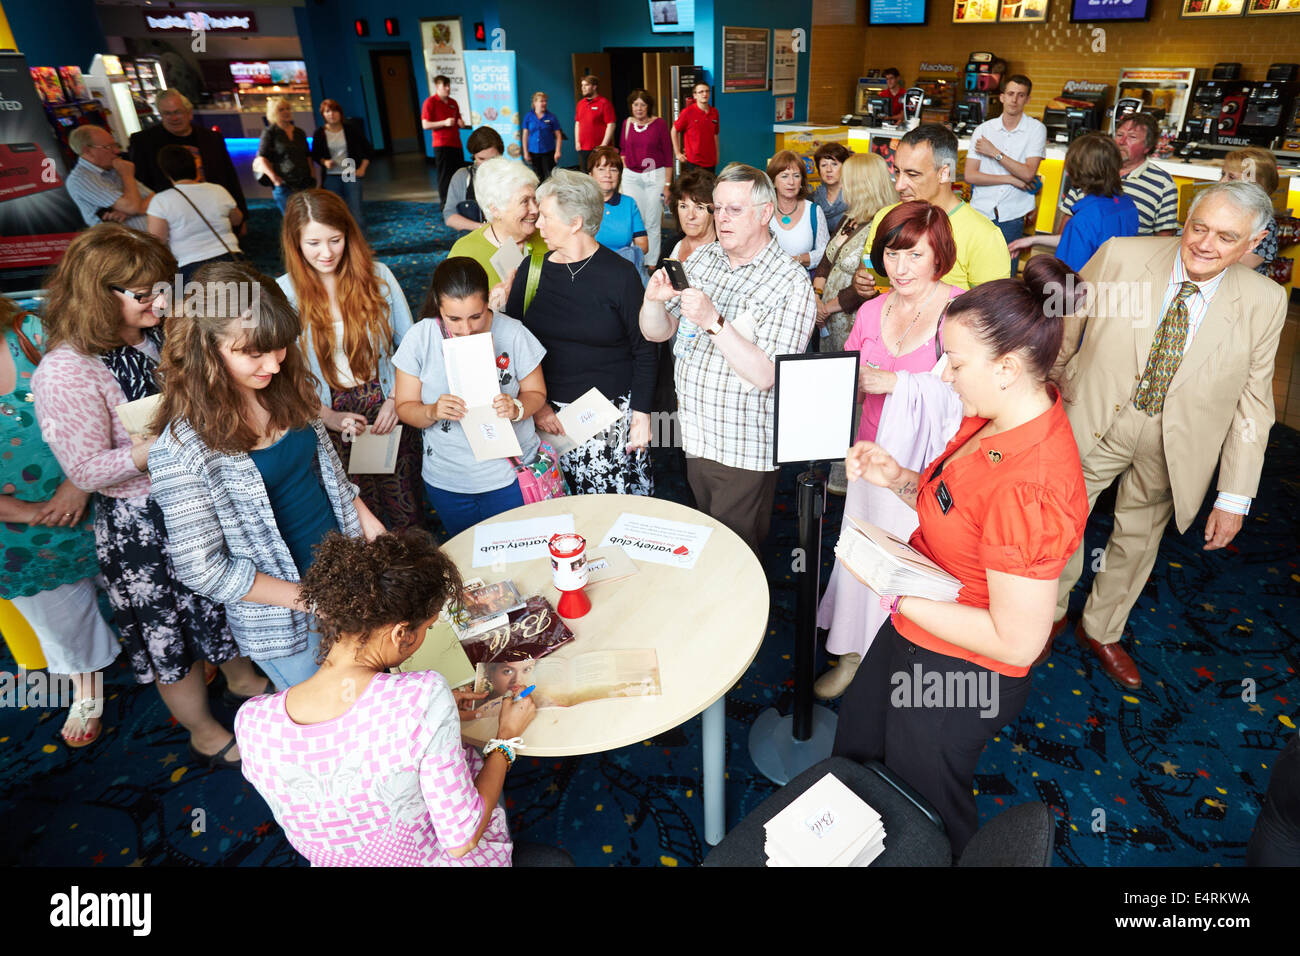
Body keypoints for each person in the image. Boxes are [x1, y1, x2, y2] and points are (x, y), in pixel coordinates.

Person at [831, 257, 1090, 855]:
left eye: (956, 360)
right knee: (859, 747)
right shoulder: (992, 414)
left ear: (1006, 367)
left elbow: (1018, 641)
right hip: (919, 620)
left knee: (923, 806)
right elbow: (955, 505)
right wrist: (899, 477)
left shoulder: (1032, 485)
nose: (943, 374)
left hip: (961, 670)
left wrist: (892, 589)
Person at [31, 226, 257, 769]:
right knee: (168, 637)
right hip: (141, 522)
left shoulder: (150, 334)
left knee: (225, 601)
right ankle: (203, 731)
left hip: (197, 492)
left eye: (162, 287)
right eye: (143, 294)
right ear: (97, 296)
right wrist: (159, 449)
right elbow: (84, 470)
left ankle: (242, 676)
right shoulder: (64, 371)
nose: (161, 300)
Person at [1045, 181, 1286, 690]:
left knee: (1138, 538)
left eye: (1226, 237)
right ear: (1185, 220)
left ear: (1254, 241)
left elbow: (1254, 402)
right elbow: (1067, 311)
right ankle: (1047, 615)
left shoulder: (1265, 301)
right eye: (1199, 228)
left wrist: (1236, 497)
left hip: (1176, 442)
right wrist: (1057, 375)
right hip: (1096, 417)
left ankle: (1103, 628)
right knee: (1061, 521)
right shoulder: (1122, 257)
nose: (1205, 244)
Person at [148, 260, 387, 691]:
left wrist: (370, 526)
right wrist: (313, 601)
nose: (274, 365)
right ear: (205, 349)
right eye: (253, 353)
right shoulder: (181, 451)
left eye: (278, 347)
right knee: (333, 730)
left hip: (346, 574)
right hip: (287, 619)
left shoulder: (284, 384)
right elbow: (203, 570)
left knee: (381, 693)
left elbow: (329, 473)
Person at [234, 529, 537, 866]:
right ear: (400, 634)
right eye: (428, 628)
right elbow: (461, 839)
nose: (425, 637)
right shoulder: (421, 696)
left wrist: (435, 716)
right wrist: (506, 741)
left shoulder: (252, 721)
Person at [814, 201, 964, 697]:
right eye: (892, 255)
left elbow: (975, 397)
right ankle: (854, 651)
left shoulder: (961, 311)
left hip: (927, 466)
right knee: (863, 552)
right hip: (872, 454)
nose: (900, 269)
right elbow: (853, 380)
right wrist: (846, 386)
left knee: (915, 561)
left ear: (939, 255)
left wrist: (896, 384)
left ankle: (901, 657)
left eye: (914, 256)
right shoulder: (873, 309)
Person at [639, 163, 817, 554]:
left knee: (735, 556)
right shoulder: (703, 259)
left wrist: (714, 322)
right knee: (706, 544)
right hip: (695, 433)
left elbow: (767, 374)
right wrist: (652, 301)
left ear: (765, 213)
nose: (721, 219)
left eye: (734, 210)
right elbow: (657, 331)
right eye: (717, 209)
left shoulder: (790, 283)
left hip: (742, 446)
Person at [1, 298, 118, 748]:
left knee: (144, 585)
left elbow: (109, 400)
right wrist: (34, 514)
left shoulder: (31, 332)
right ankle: (85, 689)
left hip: (99, 492)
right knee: (62, 621)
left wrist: (78, 483)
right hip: (17, 531)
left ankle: (179, 653)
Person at [276, 189, 423, 532]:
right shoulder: (283, 293)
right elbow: (279, 373)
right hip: (326, 410)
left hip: (385, 402)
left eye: (335, 240)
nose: (326, 253)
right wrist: (327, 416)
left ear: (348, 235)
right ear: (295, 244)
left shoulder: (379, 276)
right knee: (357, 516)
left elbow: (412, 346)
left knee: (406, 506)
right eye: (313, 243)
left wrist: (396, 400)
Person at [506, 170, 656, 496]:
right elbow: (511, 345)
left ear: (575, 222)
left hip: (607, 418)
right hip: (548, 418)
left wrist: (642, 415)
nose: (538, 224)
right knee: (556, 507)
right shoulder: (531, 271)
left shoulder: (620, 275)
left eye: (546, 216)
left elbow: (644, 349)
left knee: (609, 512)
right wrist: (539, 406)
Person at [393, 257, 548, 538]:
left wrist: (517, 407)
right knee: (468, 559)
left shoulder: (513, 333)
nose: (466, 329)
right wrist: (432, 411)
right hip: (449, 479)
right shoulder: (420, 338)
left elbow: (537, 392)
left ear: (488, 300)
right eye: (454, 319)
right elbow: (404, 407)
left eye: (476, 316)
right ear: (438, 307)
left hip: (510, 475)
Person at [851, 124, 1009, 296]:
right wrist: (863, 284)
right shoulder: (886, 216)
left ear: (944, 173)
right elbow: (870, 272)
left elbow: (991, 312)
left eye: (912, 175)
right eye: (897, 172)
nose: (899, 185)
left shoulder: (983, 235)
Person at [1007, 133, 1138, 272]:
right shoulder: (1126, 205)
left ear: (1083, 172)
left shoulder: (1083, 220)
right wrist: (1032, 240)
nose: (1068, 173)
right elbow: (1081, 241)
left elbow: (1069, 281)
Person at [812, 152, 895, 354]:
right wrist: (817, 296)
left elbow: (869, 284)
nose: (843, 186)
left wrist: (827, 308)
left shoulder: (883, 225)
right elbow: (826, 261)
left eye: (847, 180)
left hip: (851, 320)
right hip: (827, 318)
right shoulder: (849, 218)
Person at [128, 89, 248, 223]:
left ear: (189, 113)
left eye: (177, 112)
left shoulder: (211, 138)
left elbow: (229, 177)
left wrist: (242, 215)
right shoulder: (143, 142)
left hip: (215, 211)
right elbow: (140, 183)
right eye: (167, 113)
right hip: (173, 217)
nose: (173, 118)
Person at [963, 74, 1046, 256]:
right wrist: (1010, 179)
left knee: (1005, 275)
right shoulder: (983, 130)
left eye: (1021, 95)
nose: (1014, 99)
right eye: (1010, 93)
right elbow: (970, 175)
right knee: (975, 268)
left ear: (1028, 99)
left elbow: (1027, 174)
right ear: (1002, 97)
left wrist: (994, 152)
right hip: (980, 212)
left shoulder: (1036, 129)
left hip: (1012, 214)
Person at [1058, 112, 1177, 237]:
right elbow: (1068, 220)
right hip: (1082, 252)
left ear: (1148, 146)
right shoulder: (1093, 169)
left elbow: (1164, 238)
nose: (1122, 141)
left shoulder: (1163, 183)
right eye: (1119, 135)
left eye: (1132, 137)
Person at [146, 144, 244, 283]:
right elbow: (237, 220)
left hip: (189, 267)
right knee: (244, 300)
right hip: (230, 257)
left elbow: (157, 241)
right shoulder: (217, 190)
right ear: (195, 166)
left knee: (187, 303)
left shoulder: (161, 201)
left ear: (166, 172)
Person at [448, 157, 545, 289]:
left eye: (535, 199)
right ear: (495, 209)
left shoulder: (549, 235)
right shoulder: (466, 253)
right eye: (525, 202)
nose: (535, 209)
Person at [620, 89, 674, 270]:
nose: (639, 108)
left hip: (655, 175)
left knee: (652, 220)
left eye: (643, 104)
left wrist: (667, 185)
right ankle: (636, 258)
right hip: (631, 177)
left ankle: (651, 262)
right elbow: (622, 151)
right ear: (631, 106)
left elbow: (668, 155)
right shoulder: (627, 123)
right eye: (636, 104)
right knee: (636, 220)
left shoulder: (659, 124)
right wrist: (625, 173)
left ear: (649, 106)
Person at [65, 124, 152, 230]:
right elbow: (131, 206)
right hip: (126, 244)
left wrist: (129, 213)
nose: (117, 151)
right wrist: (127, 175)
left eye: (116, 145)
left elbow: (154, 197)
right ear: (87, 151)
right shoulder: (81, 179)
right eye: (108, 147)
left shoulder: (112, 168)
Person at [311, 99, 375, 229]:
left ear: (340, 113)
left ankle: (361, 245)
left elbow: (368, 150)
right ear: (323, 114)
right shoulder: (320, 133)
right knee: (336, 212)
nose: (331, 114)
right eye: (327, 111)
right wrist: (324, 161)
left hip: (349, 170)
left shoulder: (351, 129)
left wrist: (362, 168)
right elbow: (316, 155)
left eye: (335, 111)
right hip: (330, 175)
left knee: (355, 211)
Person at [1219, 147, 1280, 275]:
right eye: (1222, 174)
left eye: (1231, 177)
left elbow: (1239, 268)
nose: (1222, 181)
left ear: (1256, 186)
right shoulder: (1218, 211)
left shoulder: (1264, 223)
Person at [767, 150, 828, 272]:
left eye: (796, 176)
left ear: (801, 181)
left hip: (802, 280)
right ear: (773, 181)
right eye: (784, 176)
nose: (791, 182)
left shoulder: (814, 211)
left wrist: (796, 259)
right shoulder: (764, 210)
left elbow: (825, 253)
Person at [588, 146, 648, 268]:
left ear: (619, 175)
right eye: (601, 169)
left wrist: (621, 258)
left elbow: (643, 245)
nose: (608, 175)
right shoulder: (581, 203)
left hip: (622, 266)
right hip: (589, 268)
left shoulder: (629, 203)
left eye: (613, 170)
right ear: (590, 175)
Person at [253, 96, 314, 214]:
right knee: (291, 220)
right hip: (284, 184)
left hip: (304, 183)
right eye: (281, 110)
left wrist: (312, 176)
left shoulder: (299, 132)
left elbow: (307, 156)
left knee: (308, 216)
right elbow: (262, 158)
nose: (286, 112)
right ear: (274, 113)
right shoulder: (270, 132)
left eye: (288, 108)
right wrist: (274, 179)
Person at [443, 127, 503, 233]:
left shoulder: (511, 176)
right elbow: (449, 216)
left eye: (493, 159)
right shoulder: (462, 177)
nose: (487, 165)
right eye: (481, 159)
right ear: (473, 157)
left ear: (501, 155)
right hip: (474, 238)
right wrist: (483, 228)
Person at [422, 74, 469, 207]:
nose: (448, 88)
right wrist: (444, 122)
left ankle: (461, 202)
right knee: (444, 176)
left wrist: (461, 123)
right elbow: (425, 125)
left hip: (456, 143)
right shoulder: (430, 102)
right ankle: (445, 205)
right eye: (445, 86)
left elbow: (459, 120)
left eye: (449, 86)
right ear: (438, 87)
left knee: (460, 174)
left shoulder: (453, 103)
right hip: (441, 145)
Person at [664, 165, 717, 264]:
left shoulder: (724, 253)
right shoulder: (671, 245)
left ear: (715, 211)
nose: (690, 216)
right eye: (683, 206)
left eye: (700, 207)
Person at [672, 82, 720, 174]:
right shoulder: (687, 112)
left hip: (710, 161)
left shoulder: (715, 112)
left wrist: (717, 155)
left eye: (707, 91)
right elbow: (674, 130)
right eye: (701, 92)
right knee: (694, 188)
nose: (704, 94)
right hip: (693, 162)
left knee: (710, 188)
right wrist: (677, 153)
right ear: (695, 95)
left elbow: (715, 135)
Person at [574, 75, 616, 173]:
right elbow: (577, 123)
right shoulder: (580, 104)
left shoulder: (604, 103)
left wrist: (603, 145)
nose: (583, 88)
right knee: (586, 174)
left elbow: (611, 124)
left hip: (600, 148)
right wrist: (577, 142)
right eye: (582, 85)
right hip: (583, 147)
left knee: (601, 173)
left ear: (594, 87)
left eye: (586, 85)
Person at [812, 142, 853, 235]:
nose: (829, 170)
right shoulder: (813, 199)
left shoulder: (854, 197)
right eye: (823, 165)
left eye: (834, 164)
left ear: (845, 167)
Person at [522, 91, 563, 182]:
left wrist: (558, 151)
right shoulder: (528, 117)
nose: (544, 103)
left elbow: (559, 135)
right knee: (537, 176)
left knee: (550, 175)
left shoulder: (551, 117)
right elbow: (525, 135)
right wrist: (525, 152)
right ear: (535, 103)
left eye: (545, 101)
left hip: (548, 151)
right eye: (541, 101)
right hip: (534, 152)